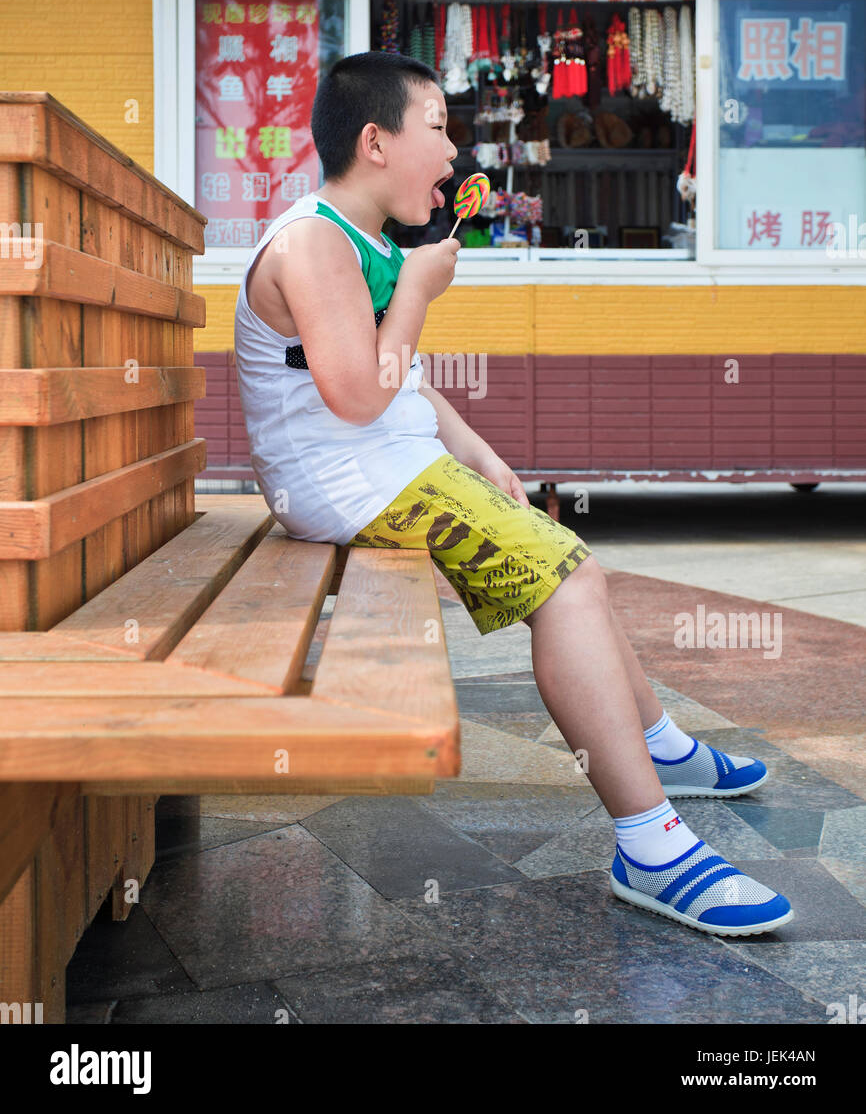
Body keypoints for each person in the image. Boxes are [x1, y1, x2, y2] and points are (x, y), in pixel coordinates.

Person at [233, 50, 793, 938]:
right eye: (438, 129)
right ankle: (649, 844)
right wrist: (415, 291)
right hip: (343, 485)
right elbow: (357, 393)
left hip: (385, 469)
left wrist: (482, 453)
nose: (454, 156)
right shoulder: (314, 243)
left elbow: (402, 385)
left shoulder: (363, 240)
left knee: (577, 568)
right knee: (566, 584)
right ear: (375, 143)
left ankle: (661, 750)